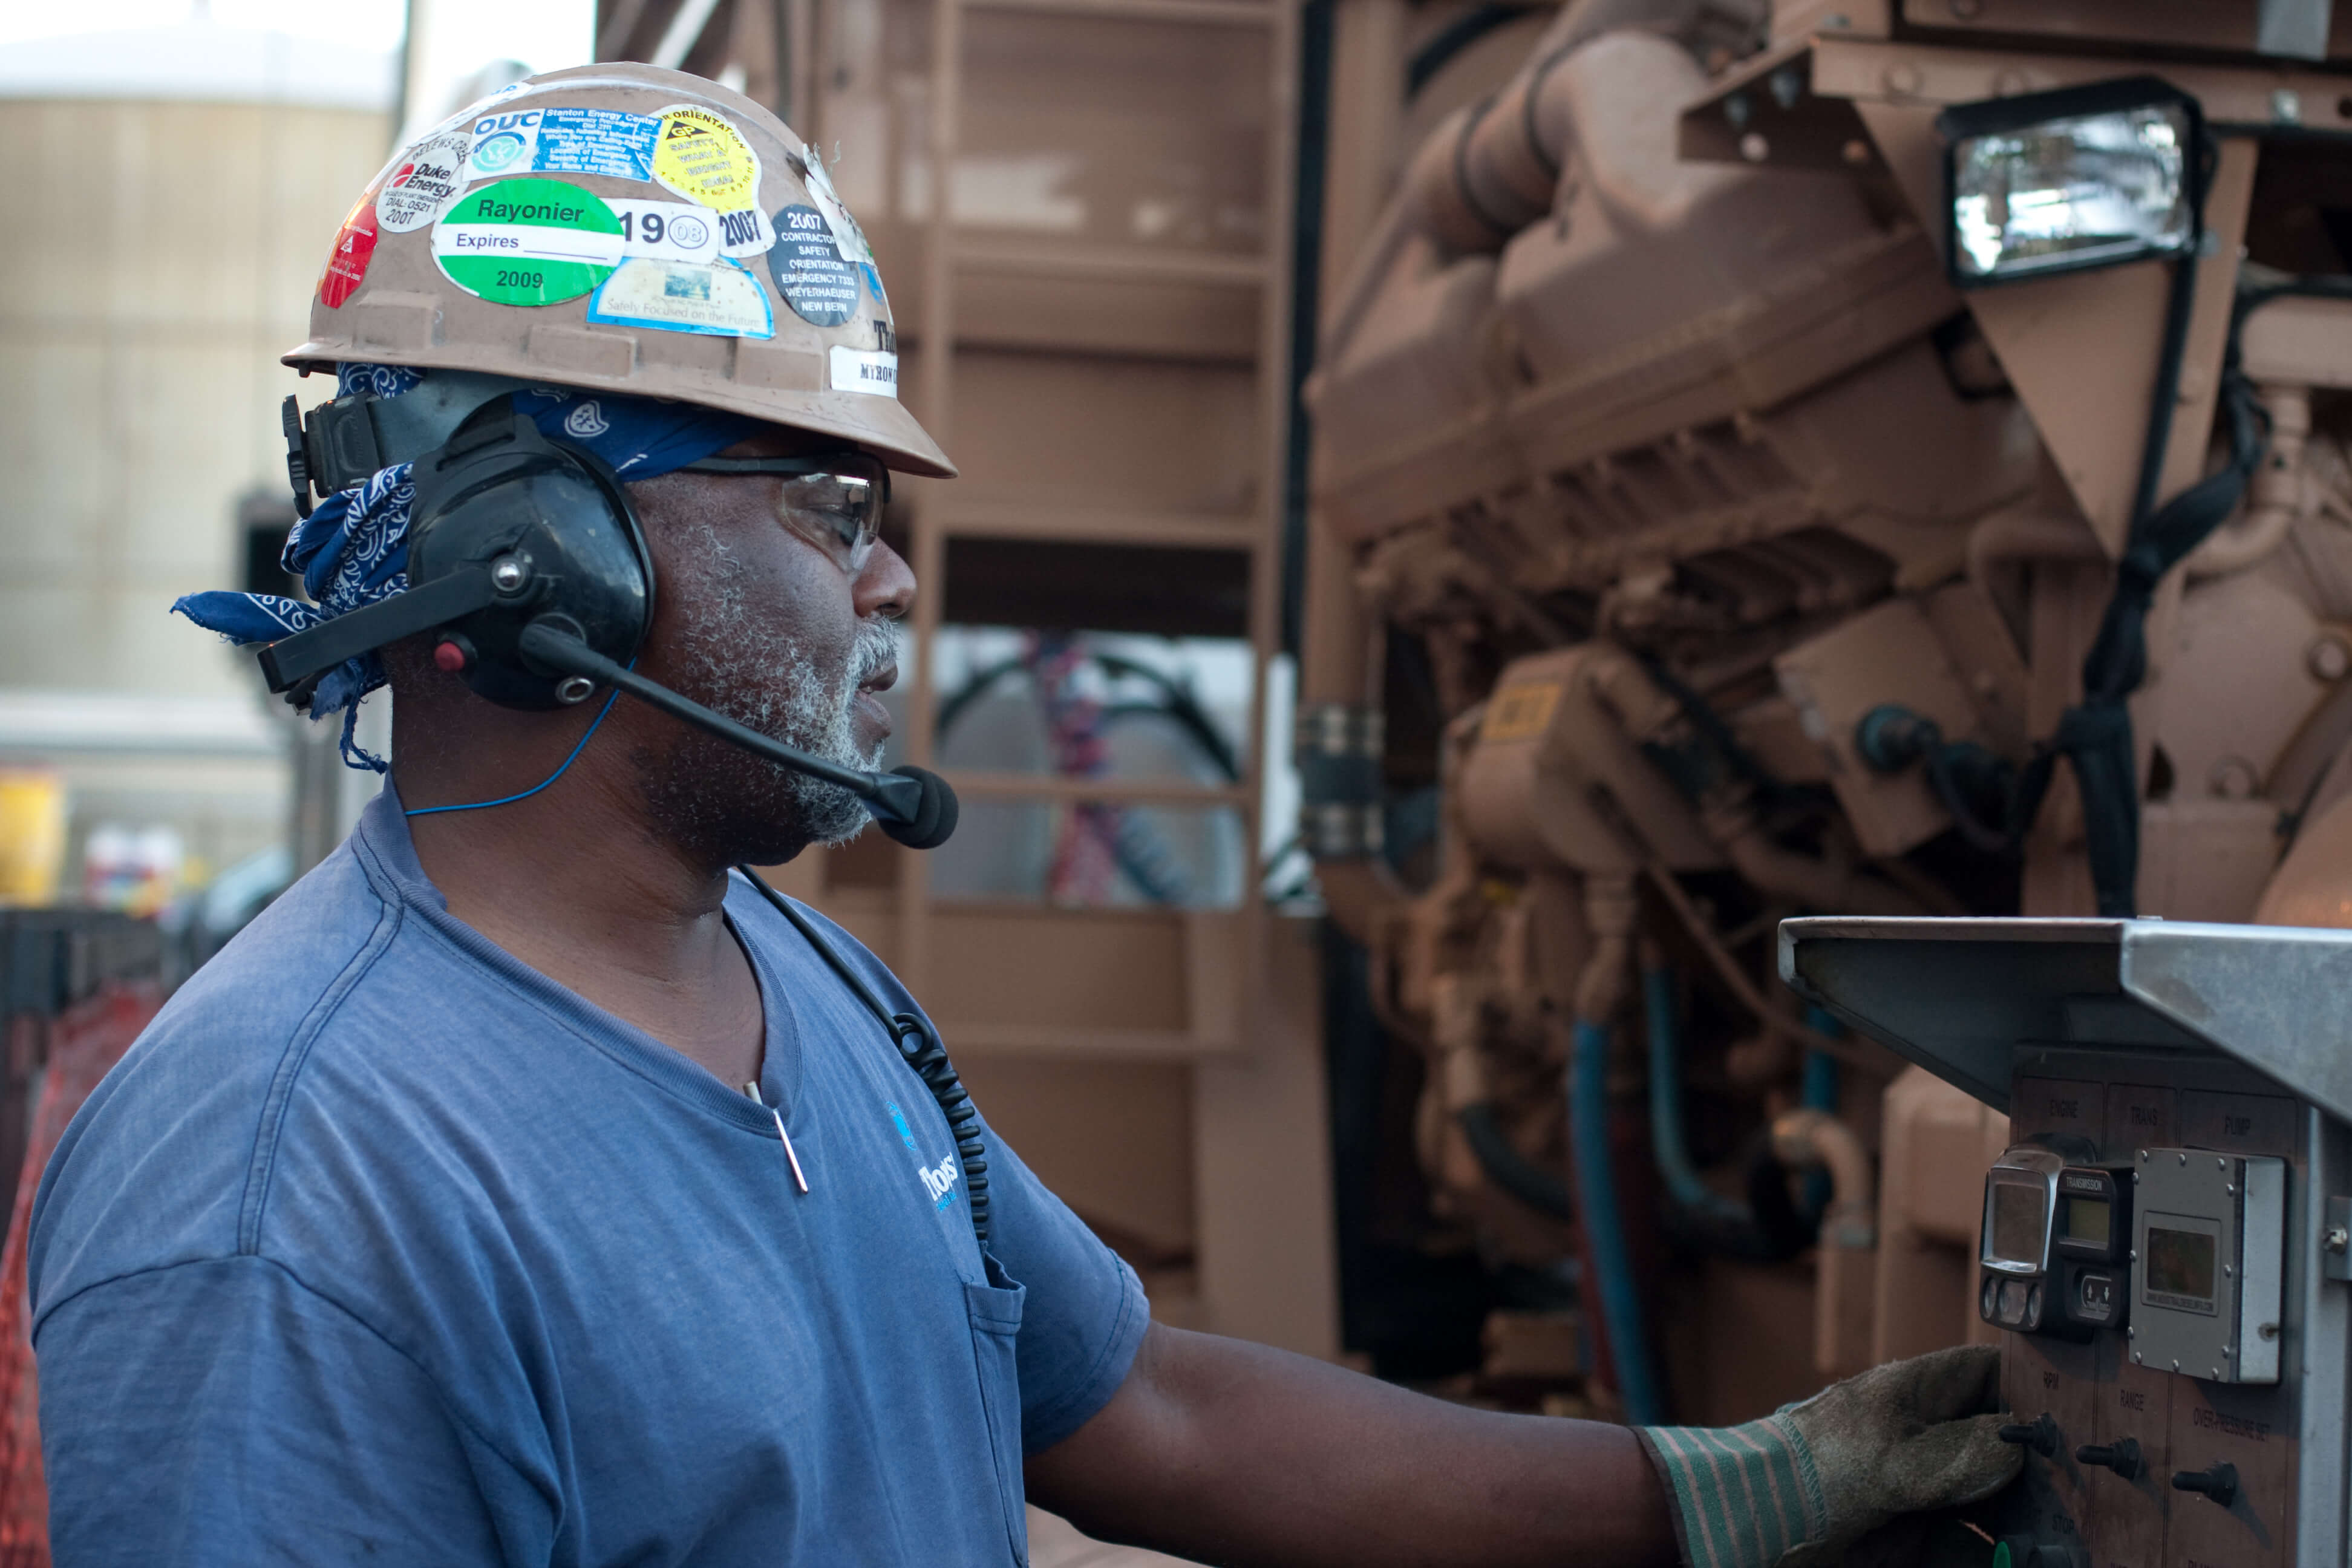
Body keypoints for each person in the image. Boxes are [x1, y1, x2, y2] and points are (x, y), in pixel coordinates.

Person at [27, 64, 2019, 1567]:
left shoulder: (795, 975)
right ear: (549, 565)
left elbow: (1147, 1409)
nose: (890, 588)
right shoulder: (289, 1200)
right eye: (830, 513)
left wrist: (1744, 1490)